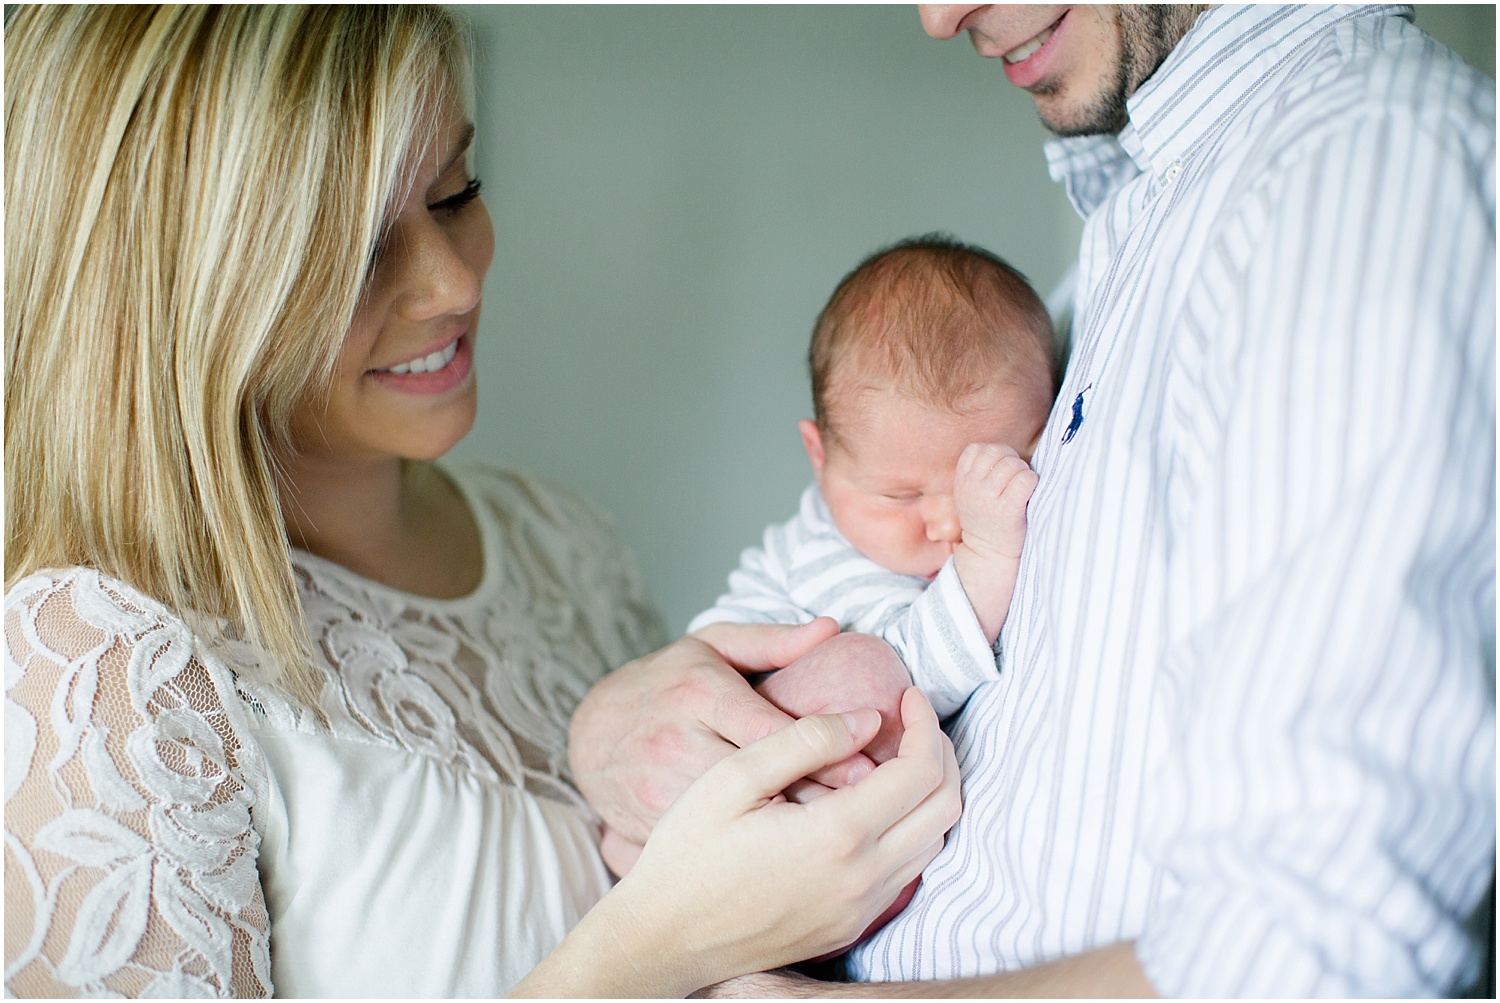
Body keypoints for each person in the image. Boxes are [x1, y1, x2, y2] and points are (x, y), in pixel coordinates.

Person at [1, 7, 962, 998]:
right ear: (169, 293)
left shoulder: (558, 541)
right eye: (354, 247)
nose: (454, 281)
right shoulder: (95, 670)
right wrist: (659, 945)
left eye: (457, 193)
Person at [569, 4, 1496, 996]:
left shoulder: (1358, 178)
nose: (937, 15)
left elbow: (1299, 952)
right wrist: (617, 724)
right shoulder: (1123, 253)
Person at [688, 235, 1054, 765]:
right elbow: (917, 681)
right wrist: (990, 555)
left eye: (980, 480)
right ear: (819, 456)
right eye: (898, 495)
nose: (949, 525)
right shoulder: (822, 559)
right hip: (735, 755)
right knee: (867, 671)